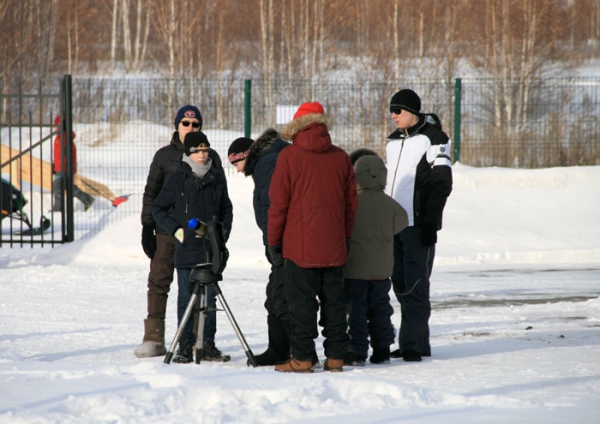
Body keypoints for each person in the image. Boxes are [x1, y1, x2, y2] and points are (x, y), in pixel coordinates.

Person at [268, 102, 357, 373]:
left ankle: (304, 357)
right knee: (334, 304)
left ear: (296, 126)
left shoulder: (289, 156)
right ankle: (336, 358)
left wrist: (274, 242)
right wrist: (345, 237)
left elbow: (278, 204)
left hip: (299, 248)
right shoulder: (341, 157)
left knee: (302, 306)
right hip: (333, 246)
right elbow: (351, 205)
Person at [135, 105, 229, 362]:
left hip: (199, 234)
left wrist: (219, 232)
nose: (190, 128)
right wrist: (147, 227)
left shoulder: (211, 157)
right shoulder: (164, 156)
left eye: (195, 124)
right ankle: (154, 338)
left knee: (201, 284)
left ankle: (198, 340)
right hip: (169, 231)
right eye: (185, 124)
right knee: (159, 280)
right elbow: (151, 193)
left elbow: (222, 199)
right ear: (177, 126)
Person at [385, 89, 453, 362]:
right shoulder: (392, 142)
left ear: (411, 110)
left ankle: (412, 344)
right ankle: (417, 342)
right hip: (394, 226)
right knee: (400, 285)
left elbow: (442, 182)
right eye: (391, 111)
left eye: (397, 111)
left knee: (415, 285)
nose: (393, 116)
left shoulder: (434, 138)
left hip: (417, 226)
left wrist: (430, 222)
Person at [228, 130, 294, 366]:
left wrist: (273, 243)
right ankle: (280, 350)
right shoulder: (269, 160)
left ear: (246, 154)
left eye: (236, 162)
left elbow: (273, 207)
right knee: (275, 296)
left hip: (283, 243)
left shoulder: (267, 164)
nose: (237, 169)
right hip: (282, 241)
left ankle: (297, 354)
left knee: (281, 298)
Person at [343, 153, 408, 367]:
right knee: (381, 309)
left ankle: (357, 351)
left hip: (354, 270)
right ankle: (382, 349)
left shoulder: (351, 204)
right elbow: (402, 223)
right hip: (382, 270)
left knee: (357, 312)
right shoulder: (391, 205)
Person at [52, 115, 95, 212]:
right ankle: (87, 199)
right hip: (64, 167)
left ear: (60, 126)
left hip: (64, 168)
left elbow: (65, 155)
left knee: (57, 186)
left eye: (55, 125)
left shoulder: (63, 138)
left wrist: (62, 167)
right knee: (69, 187)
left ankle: (59, 207)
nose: (54, 127)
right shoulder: (62, 137)